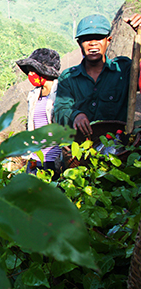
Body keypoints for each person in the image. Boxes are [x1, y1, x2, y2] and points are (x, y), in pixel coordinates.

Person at [54, 13, 141, 136]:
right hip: (82, 150)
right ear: (80, 44)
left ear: (108, 41)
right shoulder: (68, 78)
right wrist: (75, 115)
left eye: (98, 38)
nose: (93, 43)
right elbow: (60, 110)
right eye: (87, 39)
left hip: (120, 148)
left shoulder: (124, 69)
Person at [16, 48, 62, 178]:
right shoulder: (33, 95)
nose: (30, 74)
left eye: (34, 70)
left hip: (53, 160)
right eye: (29, 70)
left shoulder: (61, 93)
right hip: (35, 160)